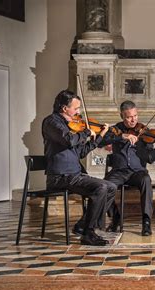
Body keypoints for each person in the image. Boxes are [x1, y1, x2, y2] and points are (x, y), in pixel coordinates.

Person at [42, 90, 117, 246]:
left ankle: (83, 226)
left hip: (74, 175)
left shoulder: (71, 125)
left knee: (110, 187)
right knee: (101, 187)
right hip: (59, 177)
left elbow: (80, 152)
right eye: (75, 109)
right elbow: (69, 140)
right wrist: (86, 132)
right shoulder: (51, 122)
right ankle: (88, 233)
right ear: (64, 108)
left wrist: (100, 136)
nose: (78, 112)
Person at [100, 100, 155, 236]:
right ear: (122, 116)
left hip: (138, 172)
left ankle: (146, 221)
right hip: (119, 171)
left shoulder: (145, 132)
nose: (133, 120)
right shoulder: (116, 129)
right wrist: (123, 136)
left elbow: (150, 158)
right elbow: (101, 141)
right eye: (129, 117)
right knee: (105, 185)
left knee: (146, 180)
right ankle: (116, 216)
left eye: (135, 116)